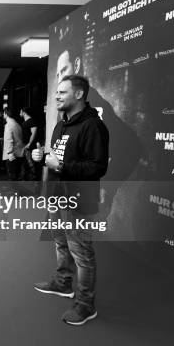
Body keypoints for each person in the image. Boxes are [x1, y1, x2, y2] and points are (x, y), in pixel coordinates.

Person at [32, 75, 109, 326]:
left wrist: (61, 165)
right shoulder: (60, 125)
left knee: (82, 253)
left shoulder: (93, 127)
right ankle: (64, 284)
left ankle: (86, 305)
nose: (56, 96)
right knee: (60, 243)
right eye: (56, 92)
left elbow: (97, 168)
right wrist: (40, 156)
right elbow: (55, 158)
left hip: (78, 200)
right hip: (57, 197)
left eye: (62, 92)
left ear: (79, 94)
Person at [2, 108, 24, 180]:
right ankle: (15, 189)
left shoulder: (8, 125)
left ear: (6, 114)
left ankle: (11, 190)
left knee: (11, 175)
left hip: (11, 154)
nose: (3, 115)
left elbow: (8, 140)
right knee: (16, 173)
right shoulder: (17, 124)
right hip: (19, 152)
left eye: (3, 113)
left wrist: (9, 152)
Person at [20, 107, 41, 181]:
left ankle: (35, 180)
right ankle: (25, 179)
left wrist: (29, 144)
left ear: (24, 112)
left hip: (30, 146)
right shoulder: (25, 122)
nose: (20, 113)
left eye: (20, 111)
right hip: (25, 146)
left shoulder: (31, 121)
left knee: (31, 164)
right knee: (26, 163)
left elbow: (33, 134)